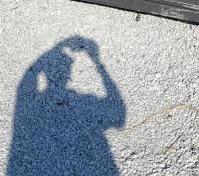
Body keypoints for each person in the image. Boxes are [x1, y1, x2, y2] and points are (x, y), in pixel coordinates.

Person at [7, 36, 125, 175]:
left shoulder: (34, 102)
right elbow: (119, 116)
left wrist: (58, 47)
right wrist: (97, 62)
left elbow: (25, 84)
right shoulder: (87, 101)